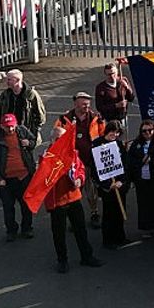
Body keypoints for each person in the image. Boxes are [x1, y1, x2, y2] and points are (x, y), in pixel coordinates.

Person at [44, 122, 102, 273]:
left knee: (80, 229)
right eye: (57, 139)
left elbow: (81, 170)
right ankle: (62, 260)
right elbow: (44, 179)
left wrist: (80, 179)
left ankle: (86, 256)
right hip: (58, 201)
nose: (60, 142)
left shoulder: (73, 153)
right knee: (59, 233)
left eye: (62, 138)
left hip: (73, 197)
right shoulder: (47, 157)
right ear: (51, 140)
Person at [54, 92, 106, 228]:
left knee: (92, 190)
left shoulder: (96, 118)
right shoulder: (64, 119)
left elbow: (103, 135)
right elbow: (56, 136)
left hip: (90, 160)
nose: (86, 107)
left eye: (88, 105)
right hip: (72, 163)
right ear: (75, 103)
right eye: (83, 104)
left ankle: (94, 213)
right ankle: (73, 219)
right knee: (73, 191)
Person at [0, 113, 36, 241]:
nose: (10, 129)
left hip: (24, 176)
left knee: (26, 205)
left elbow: (33, 141)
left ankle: (27, 228)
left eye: (12, 126)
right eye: (7, 127)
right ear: (2, 126)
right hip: (6, 179)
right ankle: (11, 230)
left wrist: (29, 143)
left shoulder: (22, 130)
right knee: (8, 207)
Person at [125, 119, 154, 238]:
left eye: (149, 130)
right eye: (144, 131)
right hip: (141, 179)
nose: (147, 133)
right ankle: (146, 228)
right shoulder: (136, 144)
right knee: (143, 203)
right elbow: (130, 161)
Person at [94, 121, 129, 249]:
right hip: (107, 187)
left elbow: (124, 164)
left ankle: (120, 237)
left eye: (117, 132)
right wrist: (107, 184)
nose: (114, 134)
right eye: (112, 131)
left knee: (120, 211)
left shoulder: (119, 144)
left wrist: (122, 181)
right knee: (109, 213)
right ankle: (108, 240)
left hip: (119, 185)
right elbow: (95, 168)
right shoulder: (97, 144)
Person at [0, 69, 47, 144]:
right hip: (9, 133)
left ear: (17, 80)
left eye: (9, 80)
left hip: (25, 135)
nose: (7, 82)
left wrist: (33, 132)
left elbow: (40, 115)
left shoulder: (31, 95)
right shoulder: (5, 95)